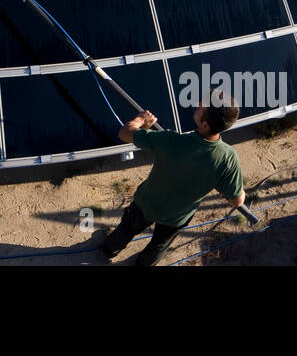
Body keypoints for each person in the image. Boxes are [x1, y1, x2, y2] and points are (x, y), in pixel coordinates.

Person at [101, 102, 245, 265]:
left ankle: (109, 250)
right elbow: (237, 200)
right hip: (176, 217)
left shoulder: (170, 140)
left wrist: (140, 120)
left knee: (127, 229)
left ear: (204, 125)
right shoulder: (229, 158)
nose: (198, 104)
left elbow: (124, 133)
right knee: (159, 245)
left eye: (202, 108)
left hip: (146, 203)